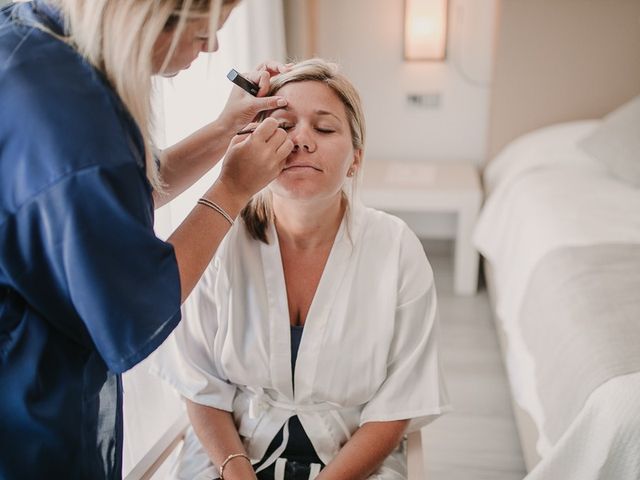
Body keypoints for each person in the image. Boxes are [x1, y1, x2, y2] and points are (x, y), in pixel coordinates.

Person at [0, 0, 294, 478]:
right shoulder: (69, 123)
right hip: (23, 413)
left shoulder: (36, 42)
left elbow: (116, 198)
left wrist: (224, 130)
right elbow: (135, 302)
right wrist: (232, 189)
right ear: (146, 15)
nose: (214, 46)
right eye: (204, 33)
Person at [152, 58, 451, 480]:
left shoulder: (396, 249)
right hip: (230, 456)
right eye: (283, 126)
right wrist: (237, 471)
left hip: (353, 461)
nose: (301, 141)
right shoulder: (218, 240)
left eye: (324, 128)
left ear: (355, 160)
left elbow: (400, 402)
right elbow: (199, 383)